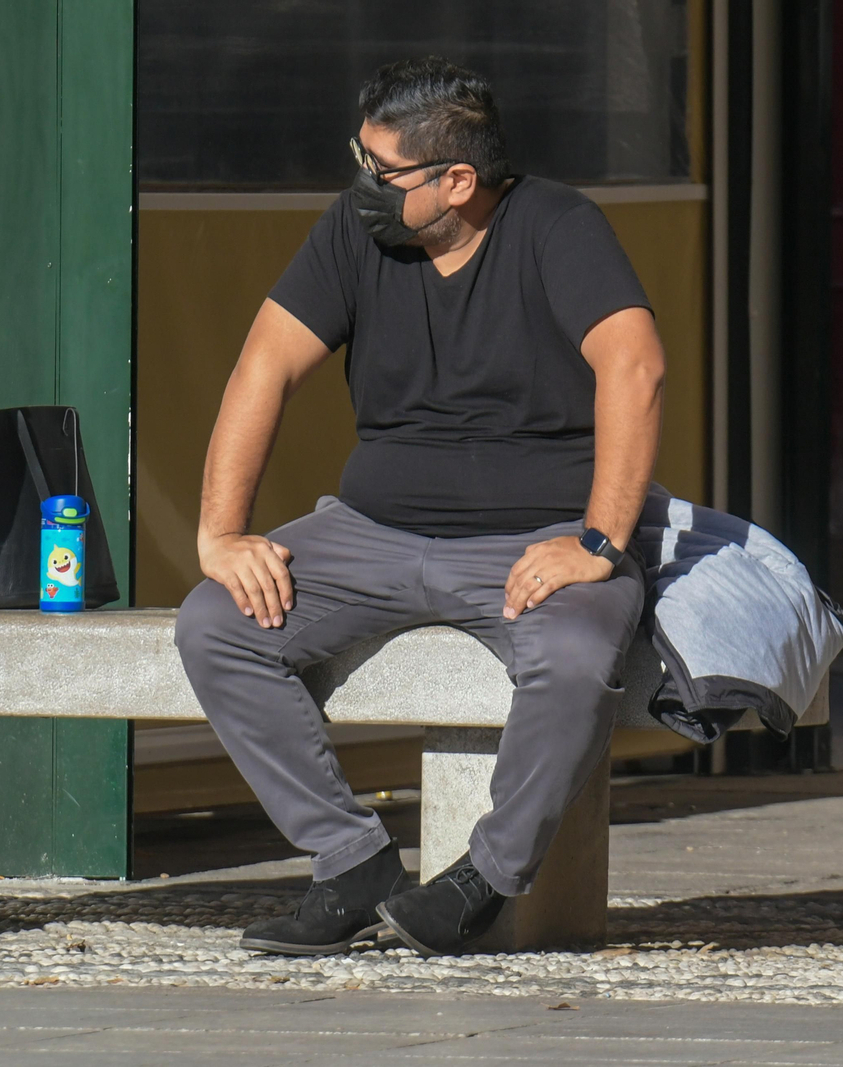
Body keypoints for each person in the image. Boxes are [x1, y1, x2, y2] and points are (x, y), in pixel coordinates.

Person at [174, 57, 664, 958]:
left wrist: (598, 539)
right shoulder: (354, 235)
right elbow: (263, 366)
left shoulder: (558, 227)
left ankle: (482, 881)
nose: (361, 184)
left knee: (578, 649)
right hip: (370, 531)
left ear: (459, 181)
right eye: (359, 159)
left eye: (382, 171)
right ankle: (350, 860)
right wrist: (221, 533)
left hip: (533, 538)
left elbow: (633, 367)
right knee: (216, 624)